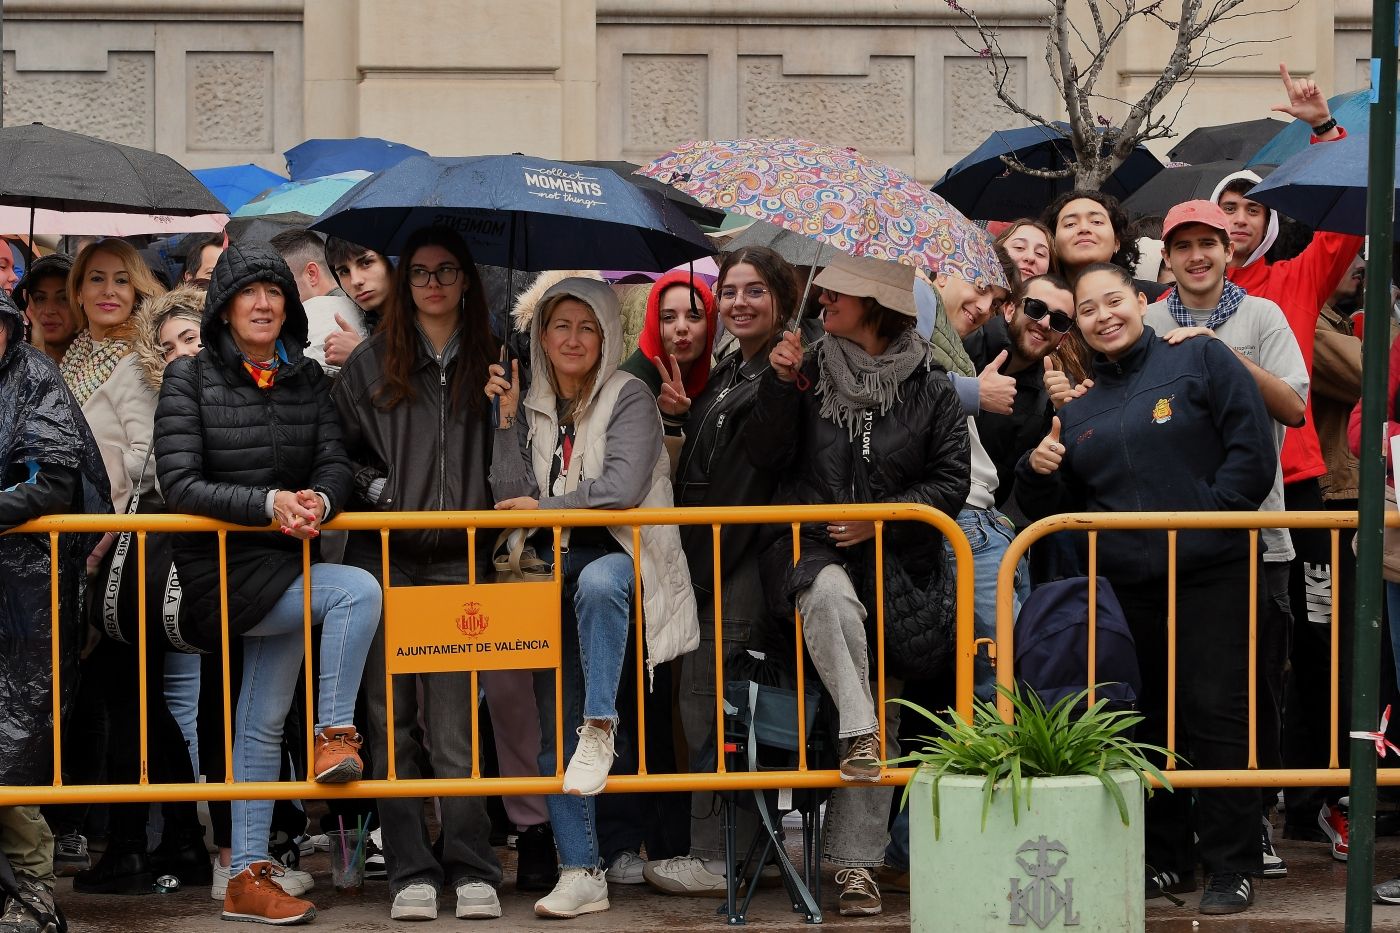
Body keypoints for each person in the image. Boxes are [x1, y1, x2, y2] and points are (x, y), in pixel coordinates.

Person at [1017, 262, 1276, 916]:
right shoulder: (1076, 408)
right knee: (1145, 720)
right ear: (1075, 322)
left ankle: (1232, 864)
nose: (1105, 315)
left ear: (1142, 301)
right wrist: (1040, 470)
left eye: (1115, 301)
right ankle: (1164, 856)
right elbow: (1059, 506)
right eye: (1089, 308)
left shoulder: (1203, 361)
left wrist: (1208, 520)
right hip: (1127, 583)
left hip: (1214, 570)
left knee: (1217, 714)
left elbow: (1251, 453)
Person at [154, 241, 380, 925]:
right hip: (220, 569)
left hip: (287, 559)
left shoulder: (309, 380)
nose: (262, 302)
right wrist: (268, 504)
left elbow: (337, 463)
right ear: (224, 306)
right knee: (356, 591)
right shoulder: (188, 378)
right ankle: (335, 733)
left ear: (288, 305)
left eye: (273, 291)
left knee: (259, 721)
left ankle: (247, 875)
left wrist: (318, 499)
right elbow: (181, 482)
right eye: (248, 292)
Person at [750, 252, 970, 917]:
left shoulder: (932, 386)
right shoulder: (808, 370)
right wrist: (778, 385)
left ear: (874, 304)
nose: (823, 305)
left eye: (836, 297)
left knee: (887, 713)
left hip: (898, 566)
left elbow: (951, 484)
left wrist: (878, 523)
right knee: (830, 601)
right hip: (810, 552)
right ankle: (858, 727)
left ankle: (855, 866)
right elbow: (767, 456)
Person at [485, 277, 700, 919]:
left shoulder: (629, 394)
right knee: (554, 727)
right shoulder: (533, 401)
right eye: (560, 326)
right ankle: (582, 871)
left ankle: (602, 724)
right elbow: (507, 490)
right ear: (541, 337)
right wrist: (504, 420)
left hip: (621, 561)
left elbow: (621, 487)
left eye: (587, 327)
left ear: (606, 337)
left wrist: (547, 507)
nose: (573, 339)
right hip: (545, 570)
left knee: (601, 579)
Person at [1209, 64, 1364, 855]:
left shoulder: (1290, 283)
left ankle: (1315, 798)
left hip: (1299, 493)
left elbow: (1345, 228)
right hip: (1209, 500)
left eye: (1247, 209)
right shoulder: (1168, 298)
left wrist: (1322, 130)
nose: (1233, 221)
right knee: (1241, 654)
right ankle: (1249, 805)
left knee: (1315, 648)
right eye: (1221, 209)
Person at [332, 226, 506, 922]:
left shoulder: (497, 362)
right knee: (389, 718)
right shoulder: (370, 362)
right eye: (421, 273)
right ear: (406, 286)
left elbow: (518, 466)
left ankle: (472, 865)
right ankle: (409, 866)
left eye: (446, 271)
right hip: (385, 559)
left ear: (467, 280)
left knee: (457, 722)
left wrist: (508, 411)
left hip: (463, 559)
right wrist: (382, 496)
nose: (433, 283)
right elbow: (336, 456)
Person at [1143, 200, 1310, 880]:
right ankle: (1177, 844)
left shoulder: (1262, 317)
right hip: (1165, 541)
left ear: (1229, 250)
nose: (1197, 255)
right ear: (1168, 256)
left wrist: (1219, 356)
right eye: (1182, 245)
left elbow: (1296, 406)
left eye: (1208, 242)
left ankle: (1250, 827)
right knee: (1176, 697)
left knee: (1251, 694)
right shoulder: (1147, 320)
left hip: (1256, 537)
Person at [644, 246, 798, 897]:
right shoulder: (736, 366)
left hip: (740, 560)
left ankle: (718, 854)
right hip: (710, 556)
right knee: (708, 704)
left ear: (781, 299)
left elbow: (767, 453)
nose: (738, 302)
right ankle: (738, 846)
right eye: (730, 290)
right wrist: (682, 413)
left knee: (717, 707)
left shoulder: (787, 369)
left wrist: (786, 383)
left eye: (754, 291)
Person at [70, 287, 214, 895]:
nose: (180, 351)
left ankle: (147, 843)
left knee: (133, 699)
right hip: (137, 552)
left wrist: (108, 526)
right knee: (134, 700)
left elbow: (142, 464)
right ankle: (173, 838)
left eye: (191, 336)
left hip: (142, 553)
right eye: (169, 342)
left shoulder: (151, 376)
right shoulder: (141, 368)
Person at [0, 287, 109, 933]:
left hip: (26, 594)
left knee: (8, 745)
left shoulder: (35, 378)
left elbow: (52, 480)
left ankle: (33, 888)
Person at [59, 239, 166, 405]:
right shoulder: (78, 352)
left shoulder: (139, 363)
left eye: (121, 281)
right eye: (97, 279)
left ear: (135, 295)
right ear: (78, 292)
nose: (109, 291)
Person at [1041, 189, 1168, 302]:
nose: (1084, 228)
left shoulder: (1159, 298)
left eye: (1096, 222)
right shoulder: (1038, 304)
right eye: (1070, 224)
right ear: (1053, 242)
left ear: (1117, 241)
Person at [270, 228, 365, 373]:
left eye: (281, 285)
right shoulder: (363, 308)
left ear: (311, 274)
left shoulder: (313, 318)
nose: (276, 298)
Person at [323, 238, 392, 367]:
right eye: (344, 271)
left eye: (366, 263)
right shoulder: (364, 322)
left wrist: (361, 356)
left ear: (390, 261)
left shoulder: (427, 318)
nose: (355, 281)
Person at [13, 252, 77, 365]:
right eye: (40, 299)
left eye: (63, 298)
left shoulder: (102, 362)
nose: (49, 311)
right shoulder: (10, 362)